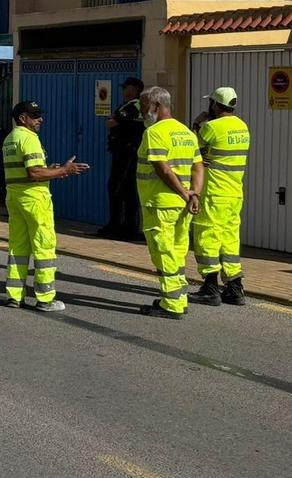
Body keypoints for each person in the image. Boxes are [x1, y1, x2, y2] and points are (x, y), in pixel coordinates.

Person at [1, 100, 89, 312]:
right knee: (44, 247)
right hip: (35, 200)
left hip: (15, 197)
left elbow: (28, 171)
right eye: (35, 116)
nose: (40, 119)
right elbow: (34, 173)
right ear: (23, 119)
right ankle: (45, 299)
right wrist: (64, 170)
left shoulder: (10, 139)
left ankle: (14, 296)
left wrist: (50, 170)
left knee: (18, 248)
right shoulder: (29, 139)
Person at [136, 86, 203, 320]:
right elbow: (198, 168)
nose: (141, 110)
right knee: (177, 252)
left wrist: (184, 193)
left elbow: (163, 169)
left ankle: (171, 304)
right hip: (182, 206)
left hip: (160, 204)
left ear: (156, 105)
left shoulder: (154, 132)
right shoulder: (186, 132)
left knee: (163, 253)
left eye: (144, 105)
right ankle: (179, 298)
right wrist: (194, 194)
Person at [191, 86, 251, 307]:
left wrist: (196, 125)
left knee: (207, 236)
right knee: (229, 239)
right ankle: (235, 288)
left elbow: (191, 150)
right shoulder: (242, 127)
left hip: (213, 193)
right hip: (234, 193)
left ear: (214, 104)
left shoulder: (211, 127)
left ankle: (210, 288)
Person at [99, 77, 146, 240]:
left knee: (117, 187)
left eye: (126, 87)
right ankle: (124, 225)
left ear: (133, 90)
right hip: (128, 152)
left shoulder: (132, 106)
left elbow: (110, 124)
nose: (123, 90)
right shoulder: (136, 106)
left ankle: (119, 226)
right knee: (126, 189)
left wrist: (112, 119)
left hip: (126, 153)